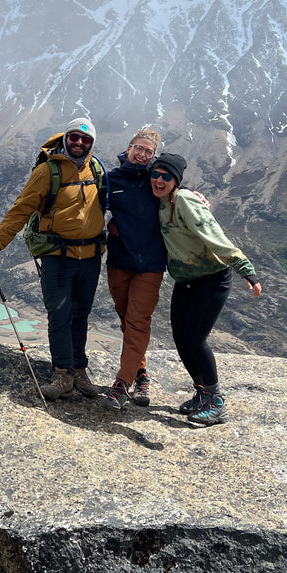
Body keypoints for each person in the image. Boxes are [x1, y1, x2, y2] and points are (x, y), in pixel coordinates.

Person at [0, 118, 107, 401]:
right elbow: (21, 209)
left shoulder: (96, 169)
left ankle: (79, 370)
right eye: (74, 137)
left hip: (91, 257)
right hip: (58, 257)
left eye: (86, 140)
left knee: (80, 315)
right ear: (65, 138)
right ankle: (63, 375)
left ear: (92, 144)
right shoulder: (48, 171)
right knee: (60, 315)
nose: (79, 143)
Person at [150, 152, 262, 426]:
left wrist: (244, 267)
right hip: (186, 279)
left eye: (167, 176)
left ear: (176, 180)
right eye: (155, 174)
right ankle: (202, 394)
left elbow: (214, 235)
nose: (159, 180)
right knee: (180, 337)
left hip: (212, 277)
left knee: (195, 339)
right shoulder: (160, 200)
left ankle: (217, 403)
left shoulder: (185, 201)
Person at [101, 127, 166, 412]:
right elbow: (90, 209)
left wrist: (196, 196)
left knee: (138, 320)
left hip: (150, 265)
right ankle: (141, 374)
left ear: (154, 156)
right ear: (128, 149)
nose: (141, 154)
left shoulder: (157, 181)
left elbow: (178, 193)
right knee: (126, 318)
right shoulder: (111, 180)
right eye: (138, 148)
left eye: (148, 151)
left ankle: (121, 384)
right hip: (119, 261)